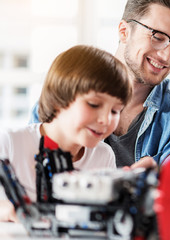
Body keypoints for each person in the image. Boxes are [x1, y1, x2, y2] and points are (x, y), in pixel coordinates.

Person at [30, 0, 170, 168]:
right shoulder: (63, 96)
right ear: (124, 32)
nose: (167, 56)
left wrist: (154, 187)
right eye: (157, 37)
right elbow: (30, 179)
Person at [0, 45, 132, 222]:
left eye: (115, 111)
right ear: (57, 101)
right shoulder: (10, 142)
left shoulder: (103, 155)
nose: (106, 120)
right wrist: (11, 211)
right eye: (93, 104)